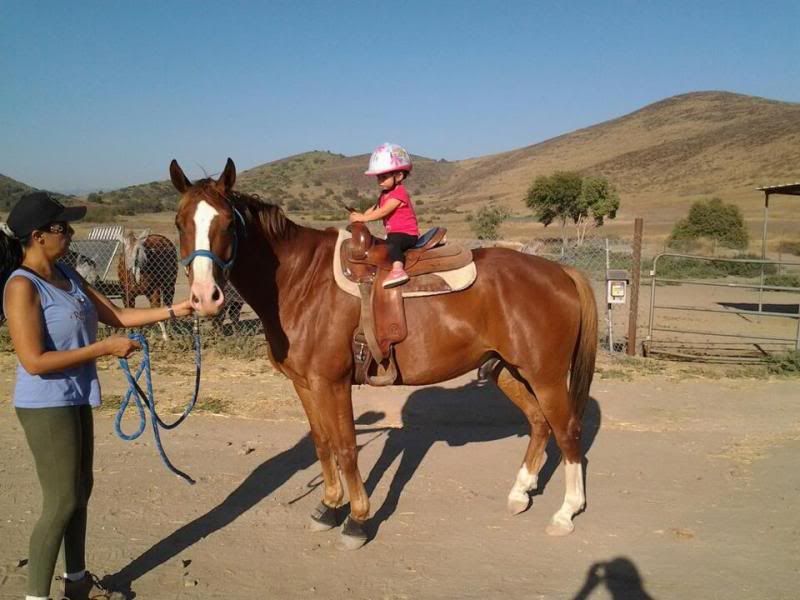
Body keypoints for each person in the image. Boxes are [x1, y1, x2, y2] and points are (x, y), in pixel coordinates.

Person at [1, 191, 193, 600]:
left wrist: (179, 310)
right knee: (62, 499)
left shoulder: (68, 274)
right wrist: (104, 349)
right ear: (37, 236)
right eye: (61, 227)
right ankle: (35, 595)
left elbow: (118, 316)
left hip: (75, 396)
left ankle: (77, 580)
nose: (69, 233)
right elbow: (34, 361)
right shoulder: (22, 286)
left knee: (81, 489)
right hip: (44, 404)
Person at [349, 143, 420, 288]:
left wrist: (363, 218)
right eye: (378, 177)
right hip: (394, 233)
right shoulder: (384, 195)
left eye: (384, 177)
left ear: (399, 176)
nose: (380, 181)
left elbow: (382, 212)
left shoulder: (399, 193)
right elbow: (374, 209)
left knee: (392, 244)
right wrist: (359, 216)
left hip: (407, 234)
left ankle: (398, 269)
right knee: (383, 244)